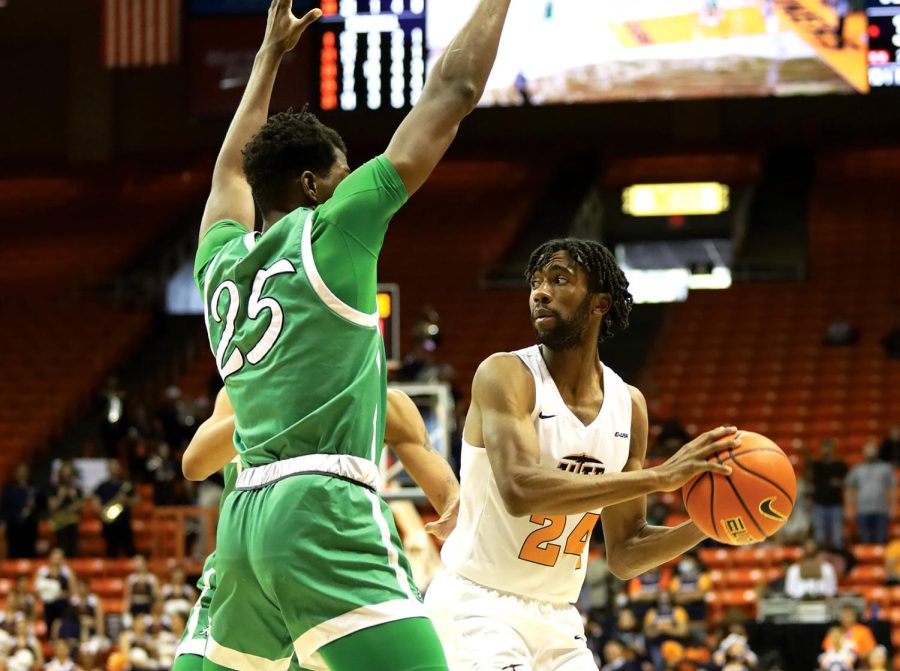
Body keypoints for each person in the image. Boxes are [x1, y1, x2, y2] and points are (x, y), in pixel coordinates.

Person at [193, 0, 513, 666]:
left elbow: (229, 169)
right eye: (341, 173)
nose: (351, 181)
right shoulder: (335, 228)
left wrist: (268, 58)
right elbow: (453, 93)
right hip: (323, 507)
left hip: (244, 518)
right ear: (313, 185)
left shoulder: (217, 258)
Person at [425, 238, 739, 670]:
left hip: (558, 617)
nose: (540, 291)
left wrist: (709, 521)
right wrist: (661, 477)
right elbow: (521, 489)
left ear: (599, 302)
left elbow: (626, 552)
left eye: (559, 280)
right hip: (477, 605)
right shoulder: (506, 374)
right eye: (535, 282)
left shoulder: (629, 405)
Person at [175, 386, 460, 671]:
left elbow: (443, 485)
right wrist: (264, 407)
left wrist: (453, 504)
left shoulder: (383, 399)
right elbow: (194, 464)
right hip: (239, 574)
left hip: (327, 559)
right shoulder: (245, 386)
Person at [845, 442, 896, 544]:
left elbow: (891, 489)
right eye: (868, 451)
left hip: (881, 510)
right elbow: (850, 490)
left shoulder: (885, 468)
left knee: (881, 540)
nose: (870, 453)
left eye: (872, 450)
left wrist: (892, 507)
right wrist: (850, 508)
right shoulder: (857, 469)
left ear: (876, 452)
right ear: (863, 453)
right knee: (865, 540)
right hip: (863, 510)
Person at [809, 438, 848, 550]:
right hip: (819, 505)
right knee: (819, 537)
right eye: (824, 447)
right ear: (821, 449)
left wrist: (839, 483)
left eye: (828, 447)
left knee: (837, 538)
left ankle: (837, 561)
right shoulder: (816, 466)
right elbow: (809, 481)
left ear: (832, 449)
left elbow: (848, 483)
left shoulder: (840, 465)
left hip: (835, 505)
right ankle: (821, 560)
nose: (826, 450)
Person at [93, 459, 137, 557]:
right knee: (111, 551)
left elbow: (136, 499)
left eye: (116, 466)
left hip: (124, 521)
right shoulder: (102, 486)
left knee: (129, 550)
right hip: (109, 523)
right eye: (112, 466)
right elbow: (95, 504)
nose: (115, 468)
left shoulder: (126, 484)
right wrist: (104, 511)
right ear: (108, 468)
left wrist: (127, 501)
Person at [1, 463, 41, 558]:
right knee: (13, 553)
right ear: (16, 473)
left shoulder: (34, 488)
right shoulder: (9, 488)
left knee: (29, 554)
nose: (22, 473)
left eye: (24, 471)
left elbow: (41, 505)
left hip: (29, 527)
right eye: (20, 471)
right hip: (13, 527)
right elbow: (4, 506)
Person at [643, 591, 690, 670]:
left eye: (666, 598)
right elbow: (648, 633)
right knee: (659, 665)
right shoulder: (652, 613)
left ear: (671, 598)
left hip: (676, 642)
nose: (664, 601)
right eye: (661, 598)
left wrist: (663, 629)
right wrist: (670, 628)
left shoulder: (678, 611)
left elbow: (682, 631)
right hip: (657, 644)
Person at [47, 462, 85, 558]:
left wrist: (74, 497)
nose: (67, 476)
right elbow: (52, 507)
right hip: (59, 523)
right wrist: (60, 496)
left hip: (72, 521)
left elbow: (81, 508)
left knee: (73, 549)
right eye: (65, 473)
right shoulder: (54, 488)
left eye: (69, 473)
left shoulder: (77, 489)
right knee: (61, 548)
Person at [35, 549, 76, 635]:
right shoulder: (43, 571)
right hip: (48, 605)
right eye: (54, 558)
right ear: (50, 558)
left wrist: (60, 594)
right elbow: (37, 590)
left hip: (63, 605)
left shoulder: (67, 572)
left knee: (60, 625)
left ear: (63, 559)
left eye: (59, 558)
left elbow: (73, 591)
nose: (56, 561)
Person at [123, 556, 158, 625]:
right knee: (127, 622)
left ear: (145, 564)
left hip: (148, 607)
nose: (138, 566)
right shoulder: (131, 579)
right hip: (134, 608)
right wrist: (125, 612)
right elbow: (128, 597)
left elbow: (156, 598)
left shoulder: (152, 579)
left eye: (140, 564)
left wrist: (155, 614)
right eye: (136, 564)